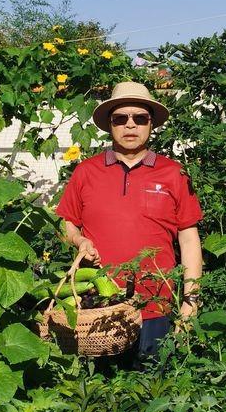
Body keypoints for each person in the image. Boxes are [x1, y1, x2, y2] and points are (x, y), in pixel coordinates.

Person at [55, 81, 203, 359]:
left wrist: (191, 302)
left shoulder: (173, 173)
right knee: (97, 393)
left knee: (152, 389)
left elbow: (189, 239)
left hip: (155, 306)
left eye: (140, 118)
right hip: (96, 309)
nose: (130, 125)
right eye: (121, 118)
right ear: (110, 125)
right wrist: (78, 239)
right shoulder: (86, 172)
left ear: (151, 124)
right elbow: (67, 224)